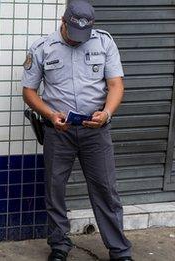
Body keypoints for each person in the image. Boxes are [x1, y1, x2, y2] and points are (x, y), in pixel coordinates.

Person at [21, 1, 133, 261]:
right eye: (73, 34)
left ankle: (119, 251)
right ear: (64, 21)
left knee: (106, 190)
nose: (77, 41)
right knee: (55, 190)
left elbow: (116, 84)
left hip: (96, 131)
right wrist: (50, 114)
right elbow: (29, 92)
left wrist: (106, 113)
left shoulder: (104, 42)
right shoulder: (42, 48)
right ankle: (59, 246)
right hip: (58, 131)